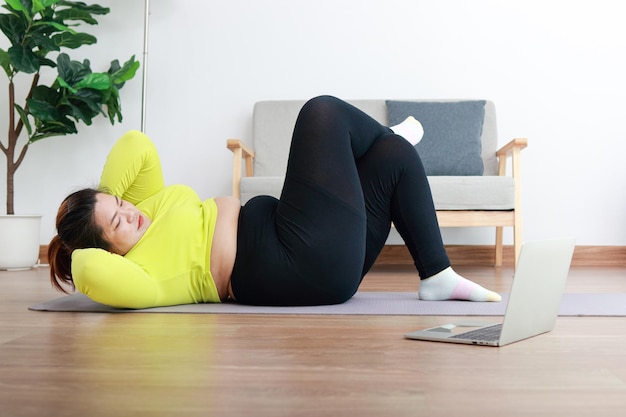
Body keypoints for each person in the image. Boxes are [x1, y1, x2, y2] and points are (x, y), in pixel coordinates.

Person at [48, 96, 501, 309]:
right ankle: (379, 136)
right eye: (119, 223)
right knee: (320, 113)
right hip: (294, 261)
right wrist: (77, 241)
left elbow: (136, 145)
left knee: (394, 157)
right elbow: (89, 269)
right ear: (109, 250)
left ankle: (437, 274)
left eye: (121, 203)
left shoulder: (146, 207)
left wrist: (101, 203)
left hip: (320, 253)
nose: (130, 212)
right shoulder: (137, 273)